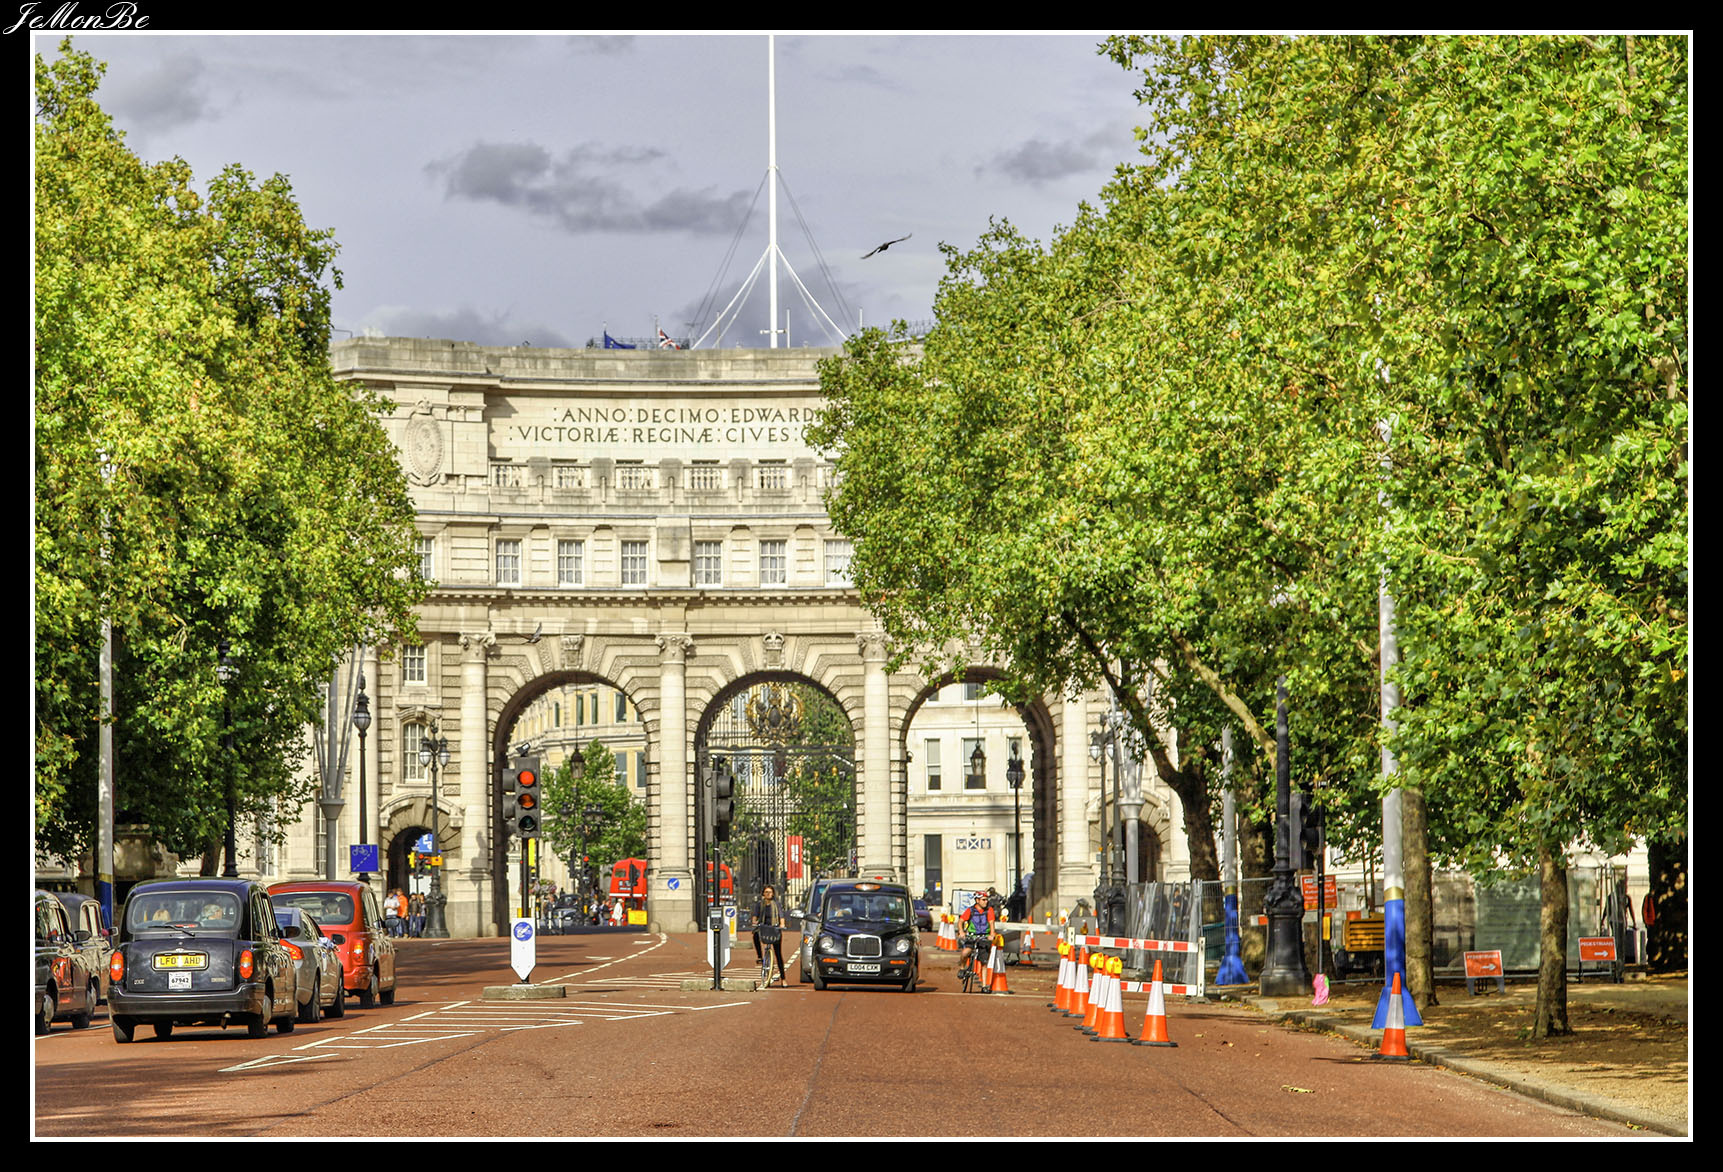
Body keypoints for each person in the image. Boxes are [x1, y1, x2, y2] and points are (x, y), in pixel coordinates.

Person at [958, 890, 998, 991]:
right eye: (983, 900)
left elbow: (991, 923)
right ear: (977, 900)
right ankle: (962, 967)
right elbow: (961, 921)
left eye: (986, 900)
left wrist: (992, 934)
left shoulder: (989, 910)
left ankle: (984, 986)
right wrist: (961, 931)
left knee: (984, 962)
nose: (986, 902)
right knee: (965, 952)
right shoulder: (970, 910)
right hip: (972, 936)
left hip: (984, 937)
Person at [752, 884, 787, 985]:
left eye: (770, 892)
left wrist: (782, 924)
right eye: (766, 892)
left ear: (773, 894)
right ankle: (759, 956)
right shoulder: (759, 904)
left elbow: (781, 916)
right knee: (755, 935)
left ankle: (783, 979)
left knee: (778, 954)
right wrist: (754, 922)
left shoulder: (777, 904)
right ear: (763, 894)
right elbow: (755, 916)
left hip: (774, 928)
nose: (768, 894)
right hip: (763, 927)